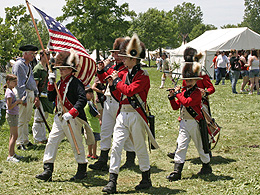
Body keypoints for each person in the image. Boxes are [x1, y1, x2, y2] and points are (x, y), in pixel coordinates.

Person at [102, 34, 158, 194]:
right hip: (123, 114)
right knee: (116, 146)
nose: (123, 60)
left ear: (134, 59)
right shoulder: (124, 74)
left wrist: (117, 82)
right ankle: (112, 181)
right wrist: (112, 84)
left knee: (140, 148)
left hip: (136, 115)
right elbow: (119, 95)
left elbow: (130, 90)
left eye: (126, 57)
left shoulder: (143, 76)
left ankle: (146, 178)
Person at [36, 49, 88, 181]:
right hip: (59, 117)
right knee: (52, 141)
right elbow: (51, 97)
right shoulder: (59, 82)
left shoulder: (76, 83)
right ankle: (47, 170)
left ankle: (82, 169)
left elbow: (82, 99)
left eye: (64, 69)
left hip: (72, 118)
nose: (61, 71)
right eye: (60, 69)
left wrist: (72, 113)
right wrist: (50, 83)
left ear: (71, 70)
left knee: (76, 143)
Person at [89, 37, 136, 171]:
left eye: (116, 53)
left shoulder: (127, 69)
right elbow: (104, 80)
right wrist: (100, 70)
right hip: (108, 101)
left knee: (122, 131)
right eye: (114, 53)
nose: (113, 56)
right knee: (105, 131)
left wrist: (106, 69)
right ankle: (103, 159)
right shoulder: (115, 67)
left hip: (118, 102)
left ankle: (130, 158)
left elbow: (119, 79)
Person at [166, 57, 212, 182]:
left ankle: (206, 166)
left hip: (195, 123)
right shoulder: (183, 91)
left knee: (201, 146)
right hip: (184, 122)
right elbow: (176, 107)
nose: (189, 82)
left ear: (196, 81)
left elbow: (187, 103)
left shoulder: (197, 92)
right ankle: (177, 171)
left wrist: (177, 94)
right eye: (187, 80)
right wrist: (171, 97)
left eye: (191, 80)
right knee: (181, 145)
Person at [12, 45, 40, 151]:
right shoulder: (19, 65)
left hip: (30, 93)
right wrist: (23, 97)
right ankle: (19, 142)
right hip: (23, 94)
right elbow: (20, 83)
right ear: (25, 54)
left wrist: (36, 94)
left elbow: (31, 80)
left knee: (27, 119)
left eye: (34, 53)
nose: (33, 56)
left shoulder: (28, 65)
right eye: (31, 53)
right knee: (21, 119)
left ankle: (25, 140)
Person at [32, 50, 54, 144]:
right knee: (38, 117)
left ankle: (43, 136)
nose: (48, 57)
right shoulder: (38, 68)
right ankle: (38, 138)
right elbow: (35, 85)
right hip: (40, 96)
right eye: (46, 55)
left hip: (46, 95)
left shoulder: (48, 67)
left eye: (49, 55)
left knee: (44, 116)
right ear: (41, 56)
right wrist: (36, 97)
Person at [4, 74, 23, 162]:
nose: (16, 83)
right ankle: (10, 155)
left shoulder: (11, 91)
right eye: (14, 81)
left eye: (16, 81)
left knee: (13, 135)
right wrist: (18, 102)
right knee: (14, 135)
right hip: (12, 115)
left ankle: (12, 153)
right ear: (8, 82)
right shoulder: (9, 92)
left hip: (14, 115)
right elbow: (9, 106)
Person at [84, 87, 101, 160]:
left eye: (92, 93)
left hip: (87, 124)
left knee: (89, 140)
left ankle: (89, 153)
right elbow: (96, 114)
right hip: (93, 125)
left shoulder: (83, 103)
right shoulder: (90, 103)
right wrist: (100, 116)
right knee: (94, 141)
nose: (91, 95)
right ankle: (94, 154)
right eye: (89, 93)